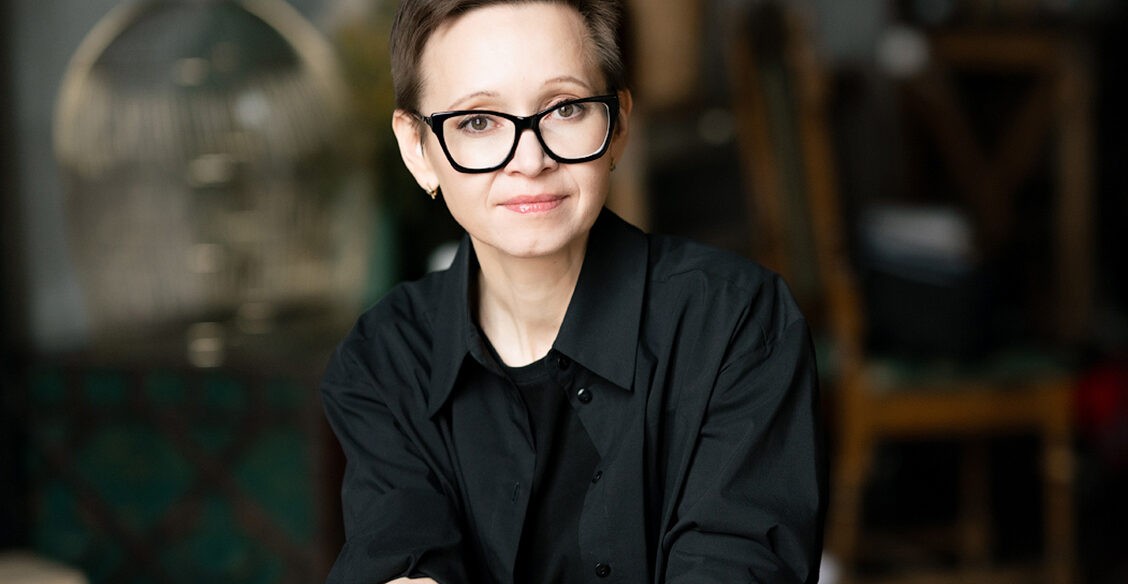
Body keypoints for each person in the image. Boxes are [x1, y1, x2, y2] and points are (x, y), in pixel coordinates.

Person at [319, 1, 826, 582]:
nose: (530, 160)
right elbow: (400, 554)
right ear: (417, 149)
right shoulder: (385, 360)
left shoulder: (737, 325)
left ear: (619, 125)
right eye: (478, 122)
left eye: (565, 108)